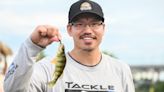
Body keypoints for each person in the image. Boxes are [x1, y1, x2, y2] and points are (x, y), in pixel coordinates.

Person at [4, 0, 135, 92]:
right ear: (69, 29)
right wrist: (31, 46)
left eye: (95, 23)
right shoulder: (46, 69)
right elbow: (12, 89)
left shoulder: (120, 70)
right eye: (79, 24)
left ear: (103, 28)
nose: (88, 30)